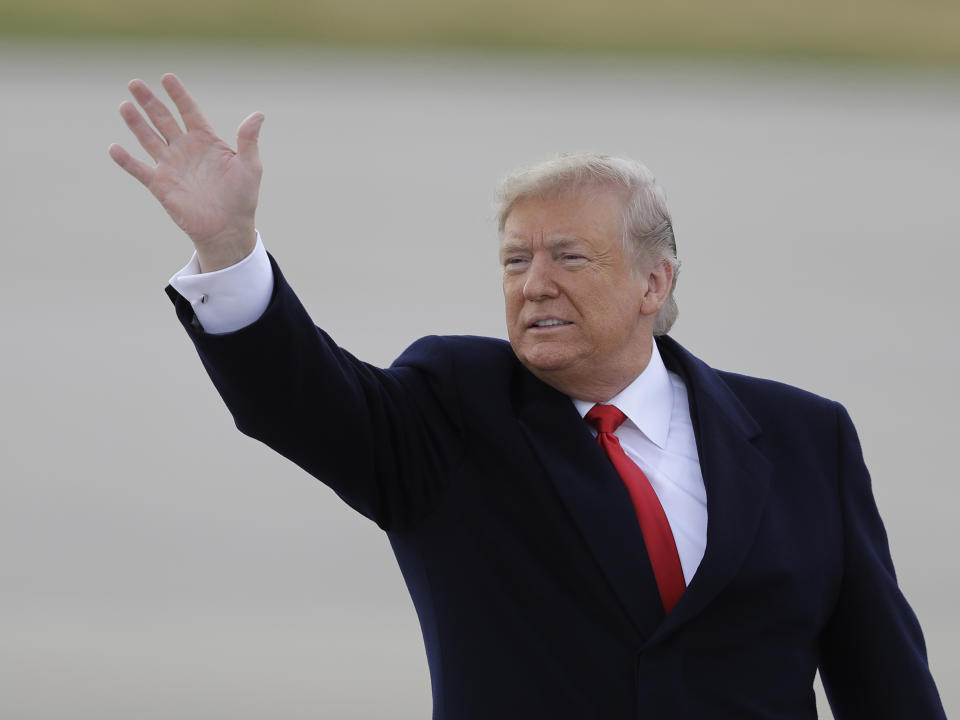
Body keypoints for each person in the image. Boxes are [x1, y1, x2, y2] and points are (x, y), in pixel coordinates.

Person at [110, 74, 946, 719]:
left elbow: (887, 688)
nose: (534, 284)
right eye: (516, 261)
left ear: (655, 282)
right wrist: (227, 245)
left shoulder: (805, 437)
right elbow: (299, 400)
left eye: (569, 258)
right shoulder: (452, 410)